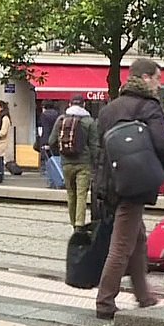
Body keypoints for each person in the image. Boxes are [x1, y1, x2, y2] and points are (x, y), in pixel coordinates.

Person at [94, 59, 164, 320]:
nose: (159, 84)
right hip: (134, 184)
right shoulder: (149, 107)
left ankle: (144, 295)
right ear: (145, 78)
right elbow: (161, 143)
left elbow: (98, 149)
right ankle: (105, 301)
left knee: (138, 238)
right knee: (122, 245)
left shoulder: (110, 108)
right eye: (158, 78)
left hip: (110, 182)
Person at [49, 95, 98, 227]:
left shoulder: (61, 119)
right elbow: (94, 145)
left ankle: (72, 223)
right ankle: (79, 225)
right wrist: (96, 163)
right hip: (84, 164)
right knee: (81, 195)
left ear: (70, 104)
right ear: (84, 105)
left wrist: (61, 151)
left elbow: (51, 141)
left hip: (66, 163)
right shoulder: (89, 121)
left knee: (71, 195)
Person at [36, 100, 60, 177]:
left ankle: (47, 175)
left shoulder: (44, 115)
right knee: (55, 158)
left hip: (46, 139)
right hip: (56, 140)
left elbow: (45, 130)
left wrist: (44, 142)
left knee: (46, 158)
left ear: (44, 107)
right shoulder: (58, 114)